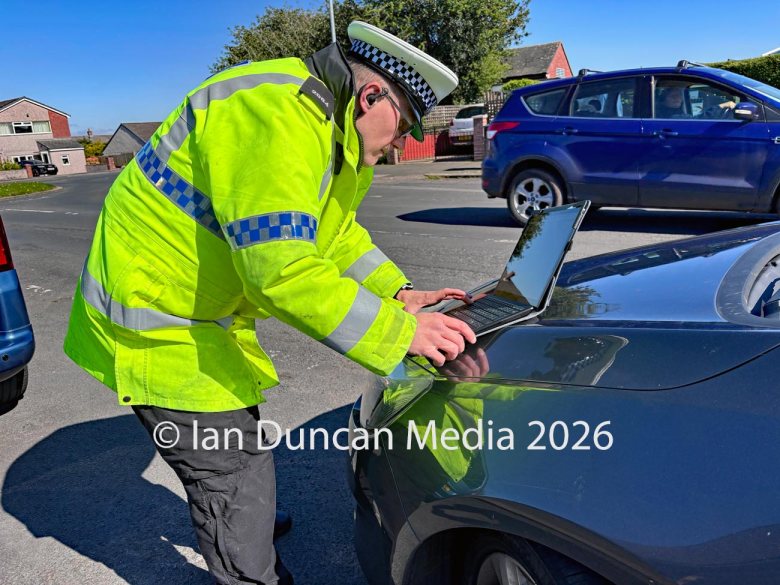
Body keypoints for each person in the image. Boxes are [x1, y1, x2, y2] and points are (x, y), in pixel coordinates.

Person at [63, 21, 476, 585]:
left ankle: (239, 521)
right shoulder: (278, 120)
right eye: (402, 125)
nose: (402, 142)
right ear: (371, 95)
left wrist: (396, 293)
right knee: (231, 465)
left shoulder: (326, 123)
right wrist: (400, 335)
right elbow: (279, 270)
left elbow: (331, 235)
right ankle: (247, 560)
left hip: (194, 313)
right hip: (157, 323)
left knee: (236, 453)